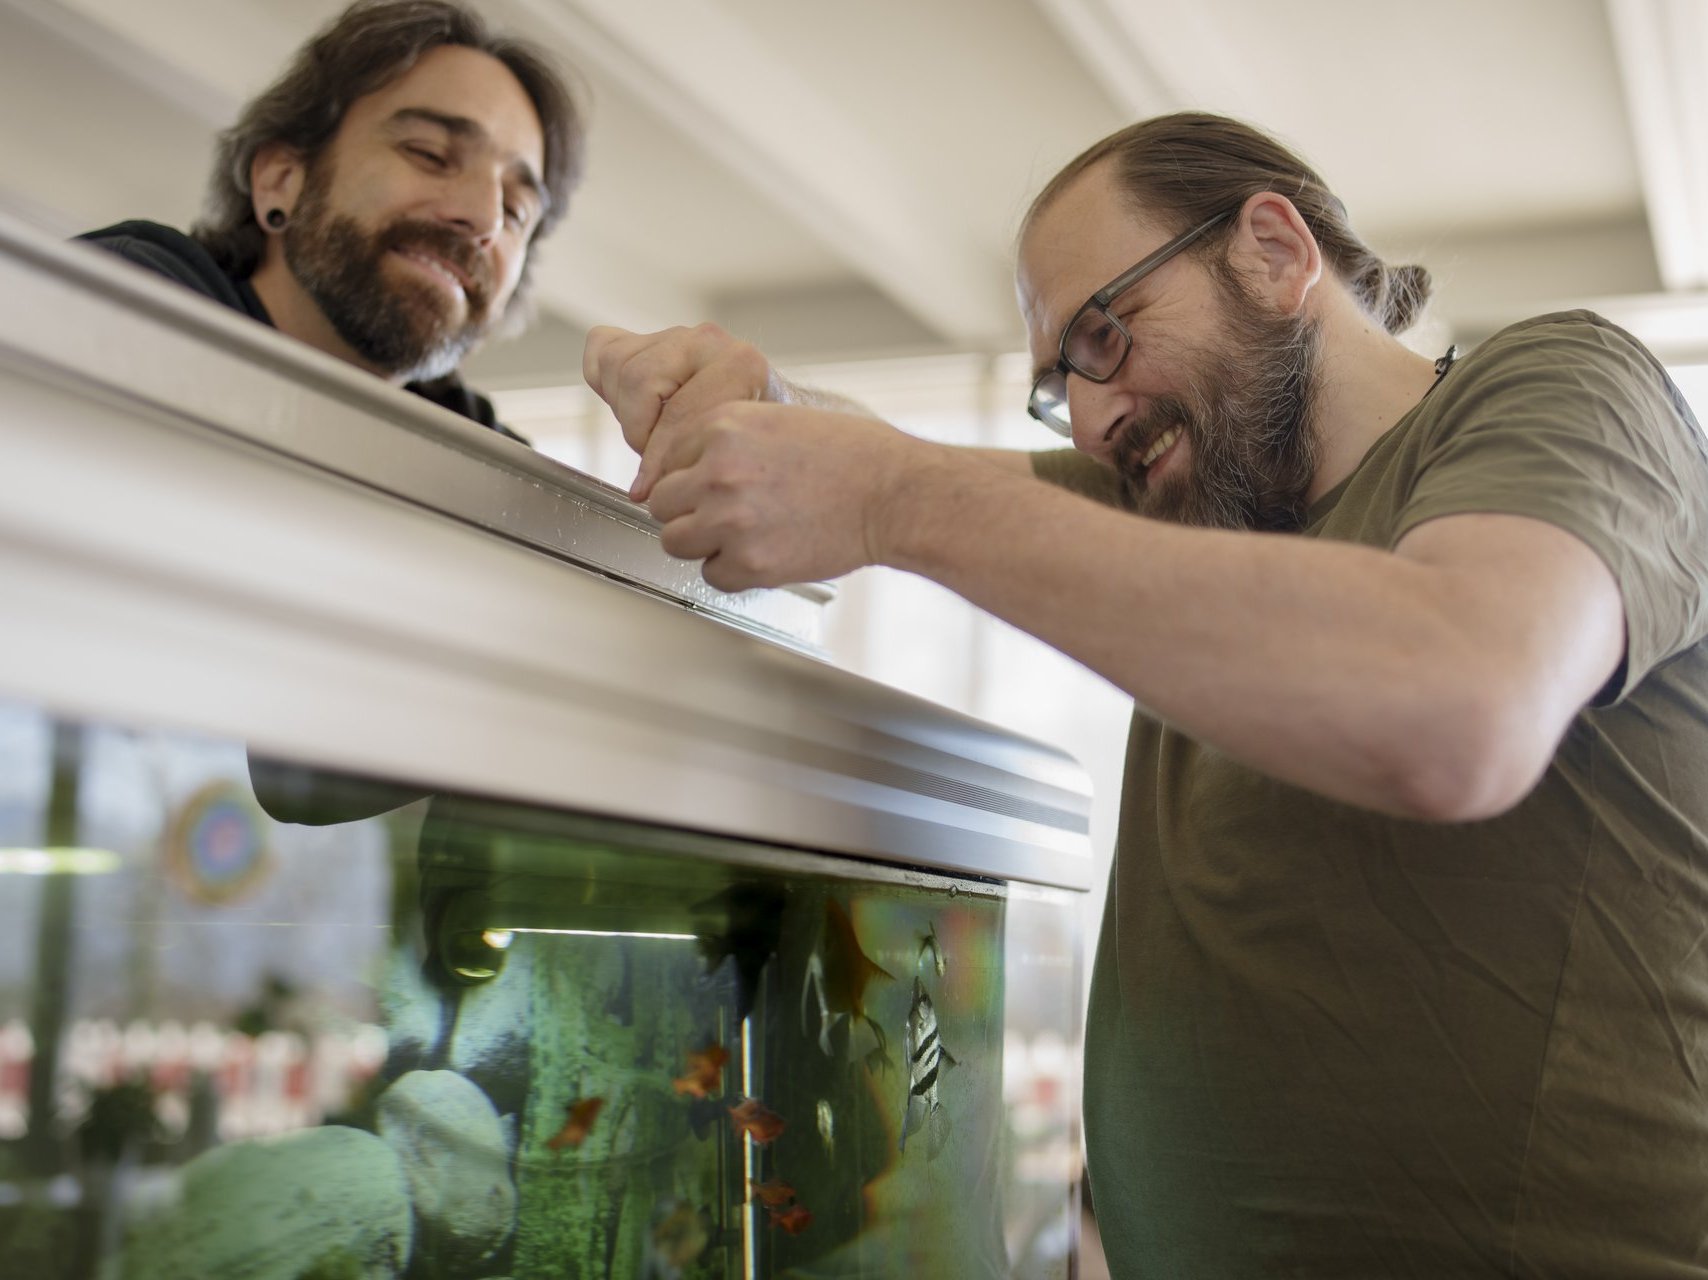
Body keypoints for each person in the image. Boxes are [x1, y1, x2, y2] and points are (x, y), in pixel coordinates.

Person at [583, 112, 1708, 1277]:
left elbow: (1461, 701)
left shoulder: (1559, 386)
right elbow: (858, 448)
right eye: (1055, 381)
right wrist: (742, 393)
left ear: (1272, 253)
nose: (1087, 412)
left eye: (1102, 336)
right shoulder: (1195, 507)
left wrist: (890, 499)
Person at [78, 0, 584, 441]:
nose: (484, 218)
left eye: (517, 210)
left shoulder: (475, 450)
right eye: (429, 154)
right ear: (282, 180)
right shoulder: (124, 296)